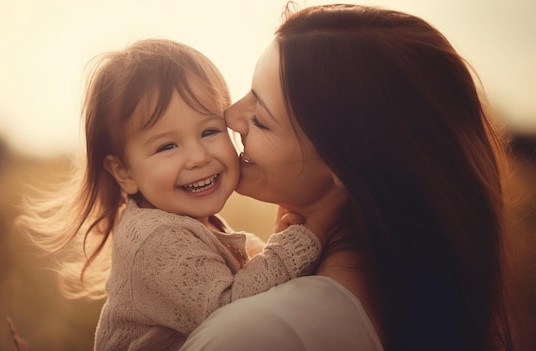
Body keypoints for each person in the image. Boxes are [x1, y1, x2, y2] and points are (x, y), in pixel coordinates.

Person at [181, 3, 516, 351]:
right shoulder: (408, 309)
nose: (231, 116)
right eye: (247, 93)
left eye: (261, 119)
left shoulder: (256, 334)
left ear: (343, 166)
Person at [17, 38, 325, 351]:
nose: (197, 157)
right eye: (167, 146)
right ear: (125, 172)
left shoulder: (184, 220)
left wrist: (272, 246)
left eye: (209, 131)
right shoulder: (158, 238)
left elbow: (233, 272)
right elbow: (233, 313)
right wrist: (300, 241)